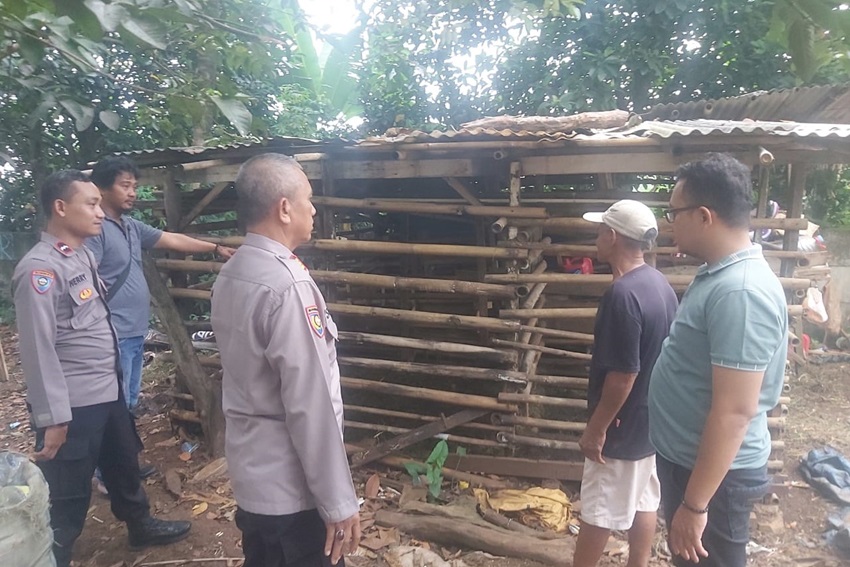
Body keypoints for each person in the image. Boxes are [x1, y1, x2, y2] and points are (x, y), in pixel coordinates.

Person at [13, 170, 191, 567]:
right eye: (90, 204)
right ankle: (53, 555)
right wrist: (53, 417)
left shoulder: (81, 255)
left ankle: (139, 524)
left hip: (106, 390)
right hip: (73, 405)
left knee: (123, 465)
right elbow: (38, 351)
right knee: (68, 494)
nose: (99, 212)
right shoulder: (39, 271)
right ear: (60, 208)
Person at [211, 153, 361, 567]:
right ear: (283, 208)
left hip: (253, 475)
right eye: (308, 198)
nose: (313, 209)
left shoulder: (234, 272)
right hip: (292, 492)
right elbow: (309, 405)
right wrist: (337, 501)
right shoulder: (287, 285)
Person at [648, 153, 788, 567]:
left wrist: (694, 506)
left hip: (713, 481)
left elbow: (734, 413)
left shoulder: (740, 292)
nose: (669, 222)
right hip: (696, 468)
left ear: (704, 216)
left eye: (674, 212)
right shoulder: (721, 274)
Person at [572, 200, 679, 567]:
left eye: (600, 231)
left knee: (600, 507)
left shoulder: (622, 296)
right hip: (650, 419)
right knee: (644, 498)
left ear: (612, 237)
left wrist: (596, 429)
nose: (596, 238)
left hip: (621, 423)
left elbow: (622, 376)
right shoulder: (658, 284)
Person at [86, 156, 235, 412]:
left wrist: (215, 247)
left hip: (134, 331)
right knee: (112, 406)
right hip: (110, 333)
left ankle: (124, 449)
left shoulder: (131, 226)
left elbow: (172, 240)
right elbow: (86, 278)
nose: (132, 193)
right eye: (125, 186)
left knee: (129, 402)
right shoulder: (95, 231)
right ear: (102, 189)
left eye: (134, 186)